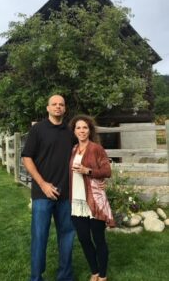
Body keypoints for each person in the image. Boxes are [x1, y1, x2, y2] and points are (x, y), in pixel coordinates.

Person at [22, 94, 75, 281]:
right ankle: (36, 277)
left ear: (65, 109)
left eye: (61, 104)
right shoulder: (38, 130)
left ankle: (65, 276)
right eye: (54, 104)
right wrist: (43, 184)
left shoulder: (70, 132)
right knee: (39, 237)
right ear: (48, 108)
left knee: (67, 236)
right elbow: (26, 157)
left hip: (66, 194)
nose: (58, 107)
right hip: (42, 194)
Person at [69, 115, 115, 281]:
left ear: (90, 130)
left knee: (99, 239)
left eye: (85, 128)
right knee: (83, 239)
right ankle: (94, 272)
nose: (82, 131)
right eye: (78, 128)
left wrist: (88, 171)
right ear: (74, 131)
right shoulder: (73, 149)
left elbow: (107, 171)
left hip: (93, 200)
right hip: (76, 202)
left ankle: (102, 276)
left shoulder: (96, 148)